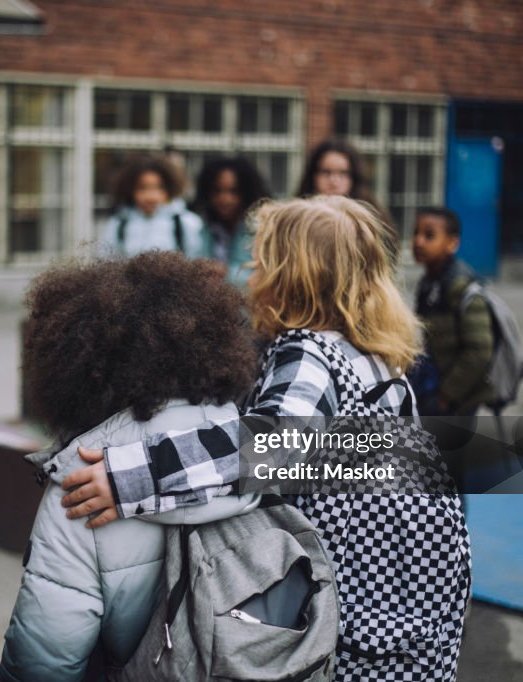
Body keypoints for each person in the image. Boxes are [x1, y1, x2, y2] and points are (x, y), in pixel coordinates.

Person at [61, 197, 472, 681]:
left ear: (290, 278)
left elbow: (263, 450)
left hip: (341, 615)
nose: (248, 278)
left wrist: (132, 476)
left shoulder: (309, 357)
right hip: (396, 614)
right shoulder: (379, 360)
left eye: (257, 265)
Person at [0, 252, 260, 682]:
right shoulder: (245, 435)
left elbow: (42, 660)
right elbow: (380, 453)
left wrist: (130, 479)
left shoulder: (84, 484)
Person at [410, 207, 496, 416]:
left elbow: (480, 351)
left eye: (429, 235)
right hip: (433, 384)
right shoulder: (429, 282)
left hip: (456, 399)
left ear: (452, 243)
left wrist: (446, 396)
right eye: (416, 233)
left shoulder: (462, 287)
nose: (419, 242)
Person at [296, 137, 400, 262]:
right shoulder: (297, 218)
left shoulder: (370, 219)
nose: (334, 181)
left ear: (354, 177)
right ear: (313, 175)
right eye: (326, 172)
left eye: (343, 173)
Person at [99, 153, 206, 258]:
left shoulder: (187, 223)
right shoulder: (118, 224)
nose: (150, 196)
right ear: (130, 190)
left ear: (170, 189)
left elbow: (196, 260)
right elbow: (106, 260)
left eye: (159, 188)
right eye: (142, 188)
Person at [192, 156, 272, 285]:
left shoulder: (261, 228)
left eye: (233, 191)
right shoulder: (200, 226)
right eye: (217, 191)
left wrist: (224, 273)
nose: (225, 199)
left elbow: (264, 277)